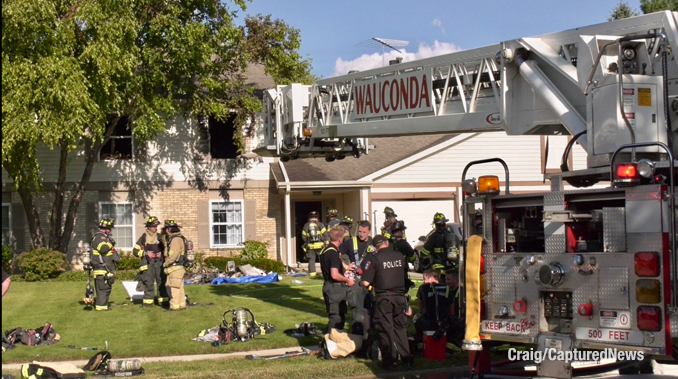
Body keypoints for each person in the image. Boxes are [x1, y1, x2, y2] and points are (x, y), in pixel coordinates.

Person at [360, 235, 414, 370]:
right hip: (400, 298)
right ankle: (407, 358)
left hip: (384, 299)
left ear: (374, 246)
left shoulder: (375, 259)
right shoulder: (399, 256)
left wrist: (362, 282)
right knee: (400, 329)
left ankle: (389, 361)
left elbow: (366, 282)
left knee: (385, 330)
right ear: (387, 242)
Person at [339, 220, 374, 335]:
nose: (361, 234)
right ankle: (357, 337)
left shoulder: (373, 243)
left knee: (371, 310)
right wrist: (346, 266)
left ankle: (371, 337)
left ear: (369, 232)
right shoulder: (350, 242)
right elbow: (336, 254)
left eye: (364, 232)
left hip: (370, 280)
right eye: (359, 231)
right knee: (358, 311)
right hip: (356, 281)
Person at [320, 226, 354, 332]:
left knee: (336, 317)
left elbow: (336, 263)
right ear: (340, 239)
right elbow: (334, 275)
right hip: (335, 289)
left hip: (329, 286)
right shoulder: (333, 253)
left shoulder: (327, 249)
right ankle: (331, 344)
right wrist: (347, 280)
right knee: (336, 319)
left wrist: (347, 267)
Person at [133, 216, 168, 308]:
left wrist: (162, 254)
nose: (155, 228)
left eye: (156, 226)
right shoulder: (143, 238)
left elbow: (167, 249)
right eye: (153, 227)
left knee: (161, 282)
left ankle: (163, 301)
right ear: (148, 227)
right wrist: (146, 253)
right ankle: (148, 303)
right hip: (148, 264)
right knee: (148, 283)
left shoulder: (160, 237)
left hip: (159, 263)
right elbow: (135, 251)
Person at [414, 270, 452, 350]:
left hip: (428, 322)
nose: (423, 281)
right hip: (445, 323)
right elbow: (451, 307)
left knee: (416, 319)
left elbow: (421, 306)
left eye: (424, 279)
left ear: (432, 278)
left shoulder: (423, 288)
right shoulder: (447, 288)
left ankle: (421, 344)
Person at [90, 218, 121, 311]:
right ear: (106, 228)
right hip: (102, 269)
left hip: (104, 269)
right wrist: (110, 243)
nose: (110, 231)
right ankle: (102, 308)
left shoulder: (102, 237)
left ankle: (102, 306)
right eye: (109, 229)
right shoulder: (100, 237)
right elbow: (103, 249)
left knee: (104, 289)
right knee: (104, 290)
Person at [163, 220, 187, 311]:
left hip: (174, 267)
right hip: (179, 267)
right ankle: (181, 305)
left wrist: (165, 263)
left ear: (169, 229)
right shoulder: (179, 238)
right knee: (179, 287)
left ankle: (174, 306)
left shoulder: (175, 240)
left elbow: (172, 255)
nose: (165, 231)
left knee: (174, 288)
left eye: (166, 229)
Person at [389, 221, 416, 289]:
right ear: (399, 232)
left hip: (388, 273)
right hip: (401, 273)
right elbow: (413, 257)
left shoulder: (387, 243)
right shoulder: (404, 243)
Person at [302, 211, 327, 278]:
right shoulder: (320, 224)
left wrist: (307, 241)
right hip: (320, 246)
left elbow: (303, 237)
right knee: (322, 259)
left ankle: (312, 274)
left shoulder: (306, 225)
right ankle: (325, 272)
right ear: (317, 218)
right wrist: (326, 241)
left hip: (310, 246)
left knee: (311, 260)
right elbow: (325, 234)